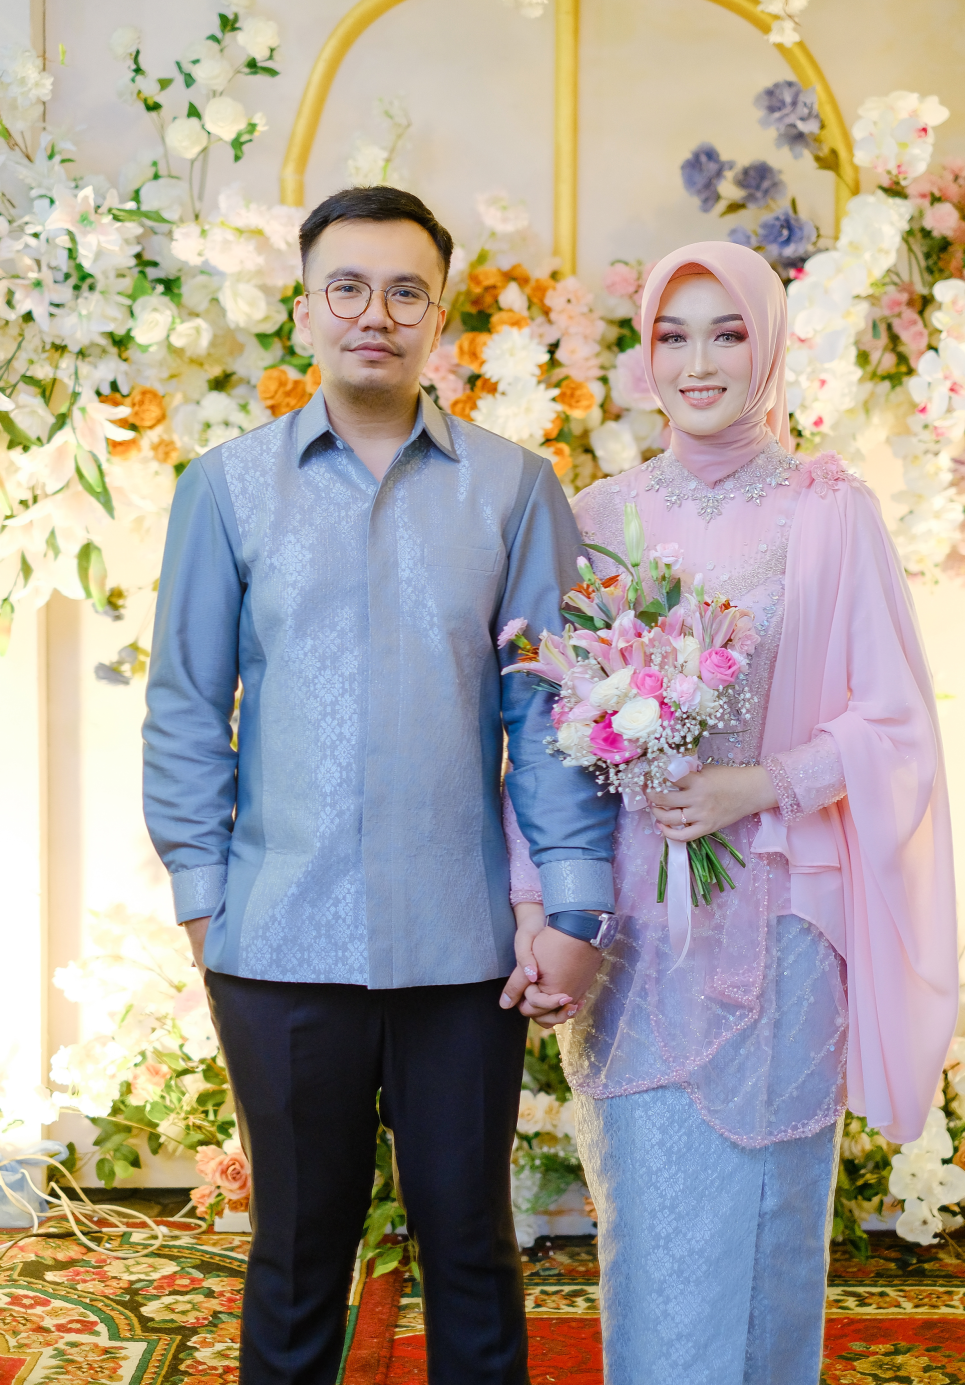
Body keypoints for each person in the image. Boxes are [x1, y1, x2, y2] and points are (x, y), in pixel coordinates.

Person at [141, 184, 619, 1385]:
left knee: (472, 1246)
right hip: (275, 941)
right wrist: (205, 901)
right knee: (296, 1253)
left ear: (439, 314)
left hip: (463, 950)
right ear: (305, 308)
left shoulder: (513, 488)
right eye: (347, 287)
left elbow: (549, 710)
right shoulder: (225, 487)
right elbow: (187, 703)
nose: (376, 314)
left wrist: (570, 904)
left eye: (406, 291)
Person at [506, 241, 959, 1385]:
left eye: (727, 332)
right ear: (645, 353)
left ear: (769, 347)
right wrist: (535, 906)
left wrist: (760, 782)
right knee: (650, 1231)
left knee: (769, 1232)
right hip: (635, 935)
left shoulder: (831, 512)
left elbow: (896, 726)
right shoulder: (596, 514)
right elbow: (543, 734)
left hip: (781, 932)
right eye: (673, 334)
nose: (697, 362)